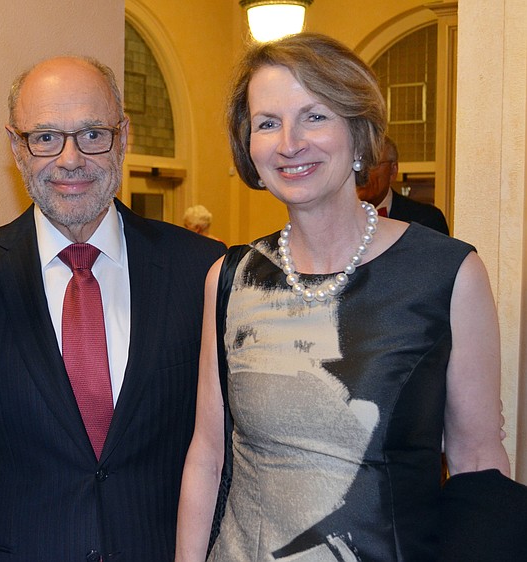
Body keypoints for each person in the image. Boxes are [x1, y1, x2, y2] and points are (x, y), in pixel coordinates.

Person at [176, 33, 512, 561]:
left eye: (314, 116)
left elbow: (477, 463)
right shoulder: (229, 278)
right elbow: (208, 454)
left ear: (359, 134)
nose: (289, 142)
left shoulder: (448, 273)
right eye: (267, 123)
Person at [0, 56, 225, 561]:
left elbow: (223, 448)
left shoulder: (202, 270)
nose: (70, 159)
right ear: (16, 147)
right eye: (45, 137)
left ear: (123, 137)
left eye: (91, 134)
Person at [356, 135, 449, 234]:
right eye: (357, 164)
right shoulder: (338, 217)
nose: (361, 173)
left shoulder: (427, 220)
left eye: (372, 165)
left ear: (393, 171)